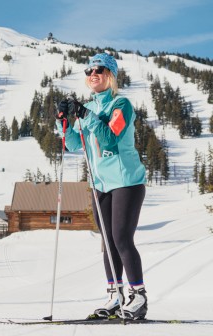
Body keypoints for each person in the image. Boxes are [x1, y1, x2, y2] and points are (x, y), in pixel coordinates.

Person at [56, 53, 147, 319]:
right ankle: (114, 296)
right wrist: (63, 121)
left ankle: (138, 297)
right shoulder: (88, 108)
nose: (92, 74)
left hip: (127, 181)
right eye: (88, 70)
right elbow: (73, 144)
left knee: (121, 238)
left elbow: (109, 140)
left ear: (111, 75)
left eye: (99, 69)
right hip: (101, 184)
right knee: (107, 242)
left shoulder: (122, 104)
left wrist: (88, 115)